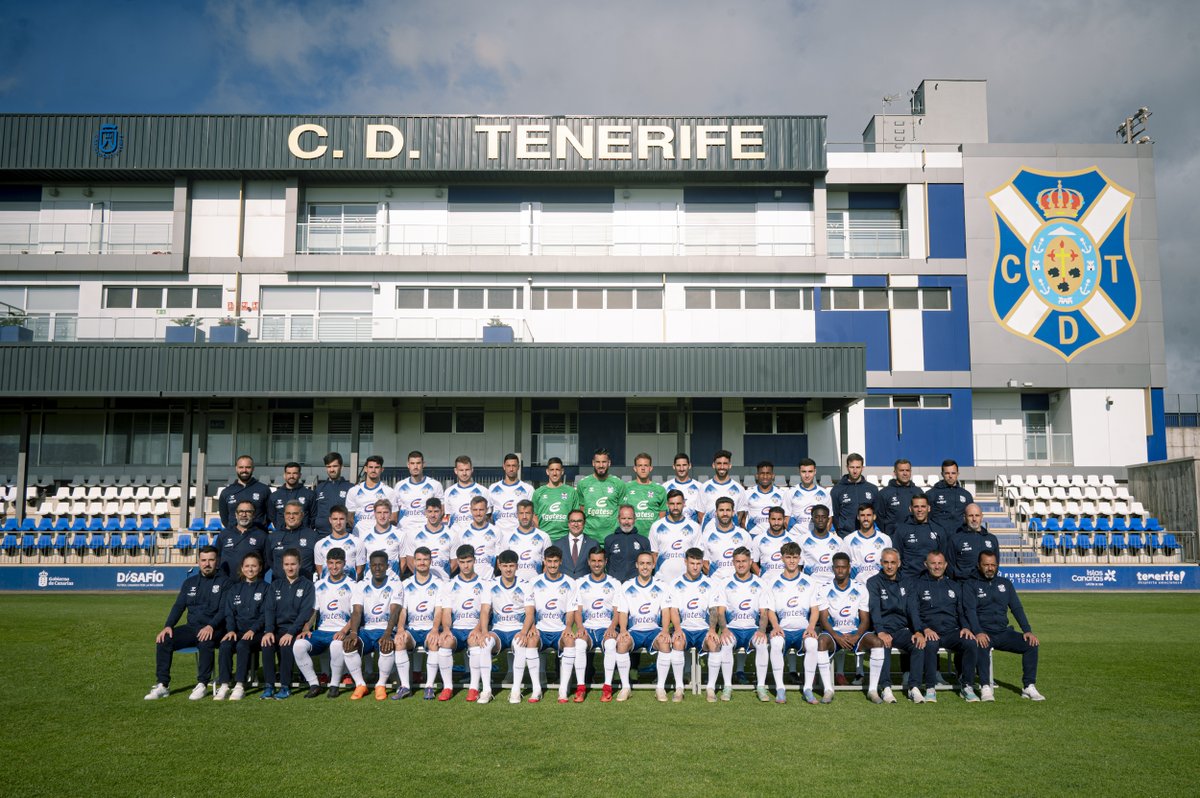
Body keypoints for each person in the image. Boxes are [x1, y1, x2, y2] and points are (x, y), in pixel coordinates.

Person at [144, 546, 229, 701]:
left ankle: (202, 684)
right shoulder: (190, 582)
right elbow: (179, 606)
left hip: (215, 628)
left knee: (205, 640)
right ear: (199, 562)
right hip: (192, 628)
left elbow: (224, 610)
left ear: (217, 561)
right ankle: (163, 685)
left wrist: (211, 626)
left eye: (211, 560)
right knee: (164, 640)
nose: (207, 564)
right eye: (203, 560)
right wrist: (168, 626)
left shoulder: (225, 582)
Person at [964, 550, 1045, 701]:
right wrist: (978, 632)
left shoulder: (1005, 583)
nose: (990, 568)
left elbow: (1016, 608)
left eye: (993, 565)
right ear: (978, 565)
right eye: (986, 565)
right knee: (981, 644)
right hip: (984, 632)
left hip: (1003, 632)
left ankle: (1028, 686)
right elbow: (970, 611)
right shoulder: (970, 584)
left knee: (1031, 644)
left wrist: (1027, 630)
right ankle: (985, 687)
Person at [761, 541, 826, 705]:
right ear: (782, 558)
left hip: (803, 630)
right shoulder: (773, 582)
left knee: (812, 643)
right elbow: (770, 610)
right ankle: (780, 688)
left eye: (795, 557)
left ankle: (807, 689)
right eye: (788, 557)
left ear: (799, 559)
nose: (791, 561)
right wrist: (775, 626)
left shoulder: (809, 582)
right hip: (783, 630)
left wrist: (811, 627)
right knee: (775, 643)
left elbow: (815, 609)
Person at [909, 550, 979, 703]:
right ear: (926, 565)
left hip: (951, 632)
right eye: (933, 563)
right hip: (930, 631)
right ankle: (930, 687)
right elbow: (913, 612)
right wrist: (924, 629)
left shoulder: (954, 586)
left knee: (970, 642)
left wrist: (965, 627)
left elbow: (961, 612)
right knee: (930, 644)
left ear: (946, 565)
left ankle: (967, 686)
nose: (937, 566)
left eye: (940, 563)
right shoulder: (917, 585)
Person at [292, 547, 358, 698]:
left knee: (336, 645)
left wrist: (344, 631)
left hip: (341, 631)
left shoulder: (352, 585)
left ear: (344, 563)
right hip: (321, 631)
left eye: (338, 563)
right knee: (298, 645)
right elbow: (313, 611)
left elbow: (356, 613)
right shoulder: (318, 585)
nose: (334, 567)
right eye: (331, 563)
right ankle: (314, 685)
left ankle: (334, 685)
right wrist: (306, 628)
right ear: (326, 563)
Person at [862, 547, 925, 704]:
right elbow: (875, 609)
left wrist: (918, 631)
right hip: (883, 629)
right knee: (883, 645)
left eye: (893, 562)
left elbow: (913, 608)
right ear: (881, 563)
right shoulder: (873, 582)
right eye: (886, 562)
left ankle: (914, 687)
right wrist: (880, 631)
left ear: (899, 563)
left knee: (918, 644)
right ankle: (886, 688)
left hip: (902, 630)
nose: (889, 566)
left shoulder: (907, 582)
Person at [431, 545, 491, 701]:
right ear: (457, 562)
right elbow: (446, 612)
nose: (466, 565)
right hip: (457, 629)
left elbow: (485, 610)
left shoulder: (485, 584)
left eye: (469, 561)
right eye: (462, 562)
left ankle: (473, 688)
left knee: (475, 640)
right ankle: (448, 687)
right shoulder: (449, 585)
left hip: (475, 628)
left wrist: (478, 628)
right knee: (445, 641)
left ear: (474, 561)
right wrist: (446, 629)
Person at [521, 545, 579, 704]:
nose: (552, 565)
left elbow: (571, 610)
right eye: (549, 561)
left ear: (560, 562)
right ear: (544, 561)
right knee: (531, 641)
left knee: (570, 640)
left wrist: (568, 627)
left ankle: (563, 690)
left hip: (560, 630)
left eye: (555, 561)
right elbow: (530, 610)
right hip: (540, 630)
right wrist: (532, 626)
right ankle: (536, 689)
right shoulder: (534, 582)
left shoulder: (570, 582)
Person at [712, 547, 771, 701]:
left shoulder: (760, 583)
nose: (741, 564)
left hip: (752, 629)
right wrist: (724, 629)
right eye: (737, 561)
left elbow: (764, 612)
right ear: (733, 562)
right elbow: (720, 612)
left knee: (762, 644)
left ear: (750, 562)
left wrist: (762, 630)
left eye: (744, 561)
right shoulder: (725, 583)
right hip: (733, 629)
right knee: (726, 644)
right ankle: (727, 687)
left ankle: (761, 687)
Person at [615, 550, 672, 701]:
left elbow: (666, 611)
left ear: (653, 565)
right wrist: (623, 630)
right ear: (636, 565)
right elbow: (623, 612)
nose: (645, 567)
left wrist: (665, 630)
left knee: (665, 643)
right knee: (622, 643)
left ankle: (660, 688)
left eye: (648, 563)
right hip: (634, 631)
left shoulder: (662, 586)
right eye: (642, 564)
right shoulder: (627, 586)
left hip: (654, 631)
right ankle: (625, 687)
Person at [260, 548, 315, 700]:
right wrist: (268, 631)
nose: (290, 568)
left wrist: (291, 632)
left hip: (296, 630)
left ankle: (285, 686)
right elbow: (269, 609)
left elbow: (305, 613)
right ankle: (269, 685)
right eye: (287, 564)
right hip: (276, 629)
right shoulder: (275, 585)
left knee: (286, 645)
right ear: (282, 566)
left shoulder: (307, 586)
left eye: (293, 564)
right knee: (267, 644)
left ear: (299, 565)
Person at [348, 551, 403, 700]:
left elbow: (395, 611)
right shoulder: (361, 585)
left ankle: (381, 685)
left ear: (387, 566)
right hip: (366, 631)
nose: (377, 568)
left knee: (386, 644)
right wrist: (353, 633)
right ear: (369, 566)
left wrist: (387, 633)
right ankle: (360, 685)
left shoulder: (395, 584)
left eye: (381, 565)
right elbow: (357, 611)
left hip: (385, 629)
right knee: (349, 644)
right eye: (374, 565)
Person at [572, 548, 624, 702]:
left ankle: (607, 687)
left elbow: (617, 610)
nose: (597, 564)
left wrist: (612, 627)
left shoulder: (615, 583)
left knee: (610, 644)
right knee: (579, 644)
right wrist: (580, 627)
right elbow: (577, 609)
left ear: (605, 562)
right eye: (593, 561)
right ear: (588, 562)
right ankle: (580, 688)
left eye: (600, 561)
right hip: (587, 628)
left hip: (605, 628)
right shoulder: (579, 583)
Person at [480, 550, 531, 705]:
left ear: (517, 566)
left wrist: (523, 632)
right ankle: (486, 690)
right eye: (505, 566)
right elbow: (484, 610)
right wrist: (484, 632)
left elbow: (530, 613)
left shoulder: (525, 585)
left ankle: (515, 690)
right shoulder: (490, 584)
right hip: (499, 630)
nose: (508, 569)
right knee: (485, 643)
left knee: (520, 644)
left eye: (511, 566)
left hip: (517, 629)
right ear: (499, 566)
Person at [392, 546, 443, 700]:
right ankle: (405, 686)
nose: (422, 563)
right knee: (399, 640)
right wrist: (400, 629)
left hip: (430, 629)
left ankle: (429, 686)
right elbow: (403, 611)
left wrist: (435, 629)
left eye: (425, 559)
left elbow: (439, 610)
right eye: (419, 560)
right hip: (412, 630)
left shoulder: (439, 583)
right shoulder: (405, 584)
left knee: (434, 641)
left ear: (430, 561)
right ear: (413, 562)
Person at [215, 551, 268, 701]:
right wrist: (231, 630)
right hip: (237, 631)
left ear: (260, 568)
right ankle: (224, 684)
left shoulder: (266, 588)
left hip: (257, 632)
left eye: (254, 566)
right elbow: (229, 613)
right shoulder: (234, 589)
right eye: (247, 566)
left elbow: (265, 614)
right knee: (225, 645)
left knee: (242, 645)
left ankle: (239, 685)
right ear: (242, 568)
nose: (250, 569)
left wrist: (253, 629)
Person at [817, 552, 870, 688]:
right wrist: (837, 636)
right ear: (832, 568)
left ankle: (874, 688)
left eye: (843, 567)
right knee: (821, 641)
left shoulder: (860, 588)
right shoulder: (824, 589)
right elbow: (823, 619)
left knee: (877, 642)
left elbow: (865, 619)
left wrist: (856, 636)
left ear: (849, 568)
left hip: (854, 632)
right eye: (837, 567)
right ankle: (828, 688)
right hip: (834, 633)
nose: (840, 570)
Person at [648, 490, 702, 583]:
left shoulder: (694, 526)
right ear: (667, 504)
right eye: (672, 504)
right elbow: (654, 555)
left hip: (686, 581)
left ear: (684, 504)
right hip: (662, 580)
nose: (675, 507)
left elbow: (698, 555)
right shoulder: (656, 526)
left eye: (678, 503)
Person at [577, 448, 627, 545]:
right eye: (598, 462)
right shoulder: (583, 484)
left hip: (612, 537)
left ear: (609, 463)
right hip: (589, 537)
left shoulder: (619, 483)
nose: (601, 465)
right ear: (593, 463)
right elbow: (581, 510)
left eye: (604, 462)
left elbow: (622, 511)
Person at [701, 497, 758, 580]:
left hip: (737, 584)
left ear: (733, 512)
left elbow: (750, 561)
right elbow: (704, 563)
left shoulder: (744, 535)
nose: (725, 513)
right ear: (716, 513)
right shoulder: (707, 536)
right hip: (716, 584)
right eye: (721, 510)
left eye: (728, 510)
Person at [894, 495, 947, 582]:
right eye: (916, 507)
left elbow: (943, 556)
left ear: (929, 508)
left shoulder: (938, 530)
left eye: (923, 506)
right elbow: (897, 557)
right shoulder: (901, 530)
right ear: (910, 509)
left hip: (931, 580)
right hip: (908, 579)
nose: (919, 510)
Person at [394, 450, 445, 537]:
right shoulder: (400, 486)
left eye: (418, 463)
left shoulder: (435, 485)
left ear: (423, 464)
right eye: (412, 463)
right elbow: (394, 512)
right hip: (405, 532)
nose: (415, 466)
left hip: (426, 533)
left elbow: (442, 510)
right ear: (408, 465)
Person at [498, 499, 551, 582]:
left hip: (535, 584)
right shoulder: (508, 537)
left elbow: (548, 563)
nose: (524, 517)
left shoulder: (544, 536)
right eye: (521, 513)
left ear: (533, 514)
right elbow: (501, 563)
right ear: (517, 515)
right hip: (514, 585)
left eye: (527, 513)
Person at [214, 500, 268, 578]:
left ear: (253, 515)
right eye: (241, 511)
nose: (244, 515)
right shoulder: (224, 534)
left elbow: (267, 561)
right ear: (236, 514)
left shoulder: (262, 536)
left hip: (251, 582)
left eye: (248, 512)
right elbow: (217, 556)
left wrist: (255, 575)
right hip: (227, 581)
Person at [532, 457, 581, 542]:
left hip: (565, 539)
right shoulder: (538, 492)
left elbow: (576, 516)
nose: (554, 473)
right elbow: (534, 516)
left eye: (557, 470)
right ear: (547, 471)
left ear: (562, 471)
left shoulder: (571, 492)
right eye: (552, 470)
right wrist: (541, 535)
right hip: (545, 539)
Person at [404, 498, 455, 579]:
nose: (433, 515)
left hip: (443, 581)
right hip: (421, 582)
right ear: (425, 513)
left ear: (442, 512)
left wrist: (443, 576)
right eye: (430, 511)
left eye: (436, 511)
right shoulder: (413, 534)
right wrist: (422, 577)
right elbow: (410, 560)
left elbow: (455, 561)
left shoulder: (452, 535)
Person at [948, 504, 1000, 581]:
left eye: (977, 515)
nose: (974, 519)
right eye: (970, 516)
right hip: (963, 584)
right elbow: (950, 567)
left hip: (985, 584)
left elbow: (996, 564)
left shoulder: (992, 539)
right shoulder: (955, 539)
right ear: (965, 517)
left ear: (981, 517)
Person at [266, 500, 316, 580]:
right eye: (288, 513)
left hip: (305, 584)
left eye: (295, 514)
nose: (291, 517)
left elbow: (317, 562)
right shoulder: (273, 537)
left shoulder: (313, 536)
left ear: (302, 515)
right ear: (284, 515)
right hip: (279, 584)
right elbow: (269, 561)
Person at [695, 449, 746, 527]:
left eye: (725, 463)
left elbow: (740, 513)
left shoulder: (739, 488)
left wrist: (728, 529)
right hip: (710, 533)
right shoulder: (704, 487)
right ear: (713, 465)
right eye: (719, 463)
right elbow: (700, 513)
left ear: (730, 465)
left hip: (731, 533)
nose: (722, 467)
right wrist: (710, 529)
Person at [451, 495, 500, 577]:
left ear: (487, 510)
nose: (478, 513)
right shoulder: (462, 532)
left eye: (481, 510)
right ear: (470, 510)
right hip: (468, 581)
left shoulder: (496, 531)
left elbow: (499, 561)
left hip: (488, 581)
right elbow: (457, 559)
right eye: (475, 510)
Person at [217, 454, 269, 530]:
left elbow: (270, 515)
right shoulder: (226, 492)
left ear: (253, 468)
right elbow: (224, 518)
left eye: (248, 467)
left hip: (257, 534)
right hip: (234, 534)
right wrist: (233, 530)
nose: (244, 470)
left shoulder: (264, 489)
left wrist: (260, 529)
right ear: (236, 468)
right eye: (241, 467)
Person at [874, 459, 924, 537]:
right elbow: (879, 518)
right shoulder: (884, 493)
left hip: (915, 536)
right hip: (893, 537)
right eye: (901, 470)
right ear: (895, 473)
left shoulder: (918, 491)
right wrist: (888, 534)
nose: (905, 473)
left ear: (910, 472)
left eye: (907, 470)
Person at [843, 504, 891, 586]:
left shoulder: (885, 539)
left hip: (879, 586)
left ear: (874, 517)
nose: (865, 518)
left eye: (869, 515)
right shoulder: (848, 540)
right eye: (862, 515)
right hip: (857, 587)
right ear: (858, 517)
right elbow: (844, 565)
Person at [314, 506, 366, 580]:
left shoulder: (358, 543)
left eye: (341, 519)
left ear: (347, 519)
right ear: (330, 520)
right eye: (335, 519)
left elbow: (359, 571)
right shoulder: (320, 544)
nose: (338, 522)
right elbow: (320, 572)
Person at [925, 459, 974, 538]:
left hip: (960, 538)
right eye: (947, 473)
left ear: (958, 474)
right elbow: (925, 518)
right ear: (942, 474)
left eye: (953, 473)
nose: (950, 476)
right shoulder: (931, 494)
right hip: (939, 539)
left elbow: (971, 517)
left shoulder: (966, 495)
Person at [604, 504, 652, 583]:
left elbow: (648, 565)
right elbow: (606, 563)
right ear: (618, 519)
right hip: (615, 584)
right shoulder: (609, 540)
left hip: (636, 584)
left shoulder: (643, 541)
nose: (626, 522)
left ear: (635, 519)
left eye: (629, 518)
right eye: (623, 518)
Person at [488, 453, 534, 537]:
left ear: (518, 467)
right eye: (508, 466)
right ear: (504, 467)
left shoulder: (528, 489)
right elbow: (487, 514)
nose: (511, 469)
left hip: (519, 536)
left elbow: (533, 515)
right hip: (499, 536)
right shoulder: (493, 488)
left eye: (514, 466)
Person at [796, 505, 843, 585]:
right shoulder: (802, 540)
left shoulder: (838, 541)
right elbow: (798, 567)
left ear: (828, 519)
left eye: (823, 517)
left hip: (832, 585)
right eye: (817, 517)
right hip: (811, 586)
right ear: (812, 519)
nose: (820, 520)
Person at [345, 455, 397, 527]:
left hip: (380, 534)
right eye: (370, 467)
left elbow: (394, 518)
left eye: (377, 467)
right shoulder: (353, 491)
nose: (373, 470)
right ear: (365, 469)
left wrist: (380, 530)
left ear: (382, 469)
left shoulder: (389, 492)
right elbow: (350, 517)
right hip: (359, 533)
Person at [356, 499, 404, 578]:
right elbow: (361, 563)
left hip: (391, 581)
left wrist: (395, 578)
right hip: (370, 581)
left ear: (390, 514)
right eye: (379, 512)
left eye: (385, 512)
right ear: (374, 514)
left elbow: (403, 561)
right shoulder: (364, 535)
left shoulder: (400, 534)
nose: (382, 516)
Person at [829, 453, 874, 536]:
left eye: (858, 467)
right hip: (845, 534)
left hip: (867, 535)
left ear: (862, 468)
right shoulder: (837, 490)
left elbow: (876, 513)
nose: (855, 471)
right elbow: (835, 515)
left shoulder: (872, 489)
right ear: (847, 467)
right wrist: (841, 529)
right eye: (852, 467)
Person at [624, 453, 667, 536]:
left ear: (650, 468)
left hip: (652, 537)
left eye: (646, 465)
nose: (643, 468)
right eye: (640, 465)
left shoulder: (660, 489)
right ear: (635, 468)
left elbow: (662, 517)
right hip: (631, 536)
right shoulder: (626, 488)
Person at [743, 461, 789, 534]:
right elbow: (743, 518)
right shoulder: (747, 494)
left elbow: (786, 518)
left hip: (775, 536)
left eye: (768, 473)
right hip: (754, 535)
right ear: (757, 475)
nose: (765, 477)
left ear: (773, 475)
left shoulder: (782, 494)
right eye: (762, 473)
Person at [445, 455, 489, 532]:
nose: (464, 473)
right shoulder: (448, 492)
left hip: (475, 534)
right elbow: (448, 516)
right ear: (455, 471)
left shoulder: (483, 491)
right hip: (455, 535)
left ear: (472, 470)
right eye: (461, 470)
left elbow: (488, 516)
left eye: (467, 470)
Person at [313, 452, 352, 538]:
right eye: (329, 467)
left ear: (341, 467)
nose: (331, 470)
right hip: (321, 535)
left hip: (344, 535)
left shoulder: (350, 488)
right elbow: (313, 512)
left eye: (335, 466)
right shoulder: (319, 488)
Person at [267, 461, 315, 531]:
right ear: (284, 475)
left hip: (303, 535)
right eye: (289, 473)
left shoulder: (309, 494)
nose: (291, 476)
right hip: (282, 534)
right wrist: (281, 528)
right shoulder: (275, 496)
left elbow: (314, 517)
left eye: (295, 473)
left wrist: (306, 530)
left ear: (300, 475)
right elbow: (272, 517)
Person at [754, 506, 796, 582]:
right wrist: (761, 577)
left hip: (787, 583)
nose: (776, 523)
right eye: (773, 519)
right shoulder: (758, 539)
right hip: (766, 584)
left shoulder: (793, 539)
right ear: (768, 520)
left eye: (779, 519)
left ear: (784, 520)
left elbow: (798, 563)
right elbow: (753, 562)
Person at [788, 458, 831, 530]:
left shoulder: (824, 493)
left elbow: (829, 518)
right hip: (796, 536)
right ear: (799, 472)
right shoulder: (790, 492)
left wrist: (821, 536)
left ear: (815, 471)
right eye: (804, 472)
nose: (807, 475)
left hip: (817, 536)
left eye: (810, 471)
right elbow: (786, 519)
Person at [661, 453, 703, 522]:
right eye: (678, 465)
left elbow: (701, 514)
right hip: (671, 527)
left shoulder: (699, 487)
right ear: (674, 466)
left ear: (689, 466)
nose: (681, 469)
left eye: (684, 465)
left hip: (691, 527)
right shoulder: (665, 487)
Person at [560, 509, 599, 580]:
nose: (576, 524)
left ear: (584, 523)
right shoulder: (558, 544)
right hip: (564, 585)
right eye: (573, 521)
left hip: (586, 585)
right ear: (568, 523)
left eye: (579, 521)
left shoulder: (593, 544)